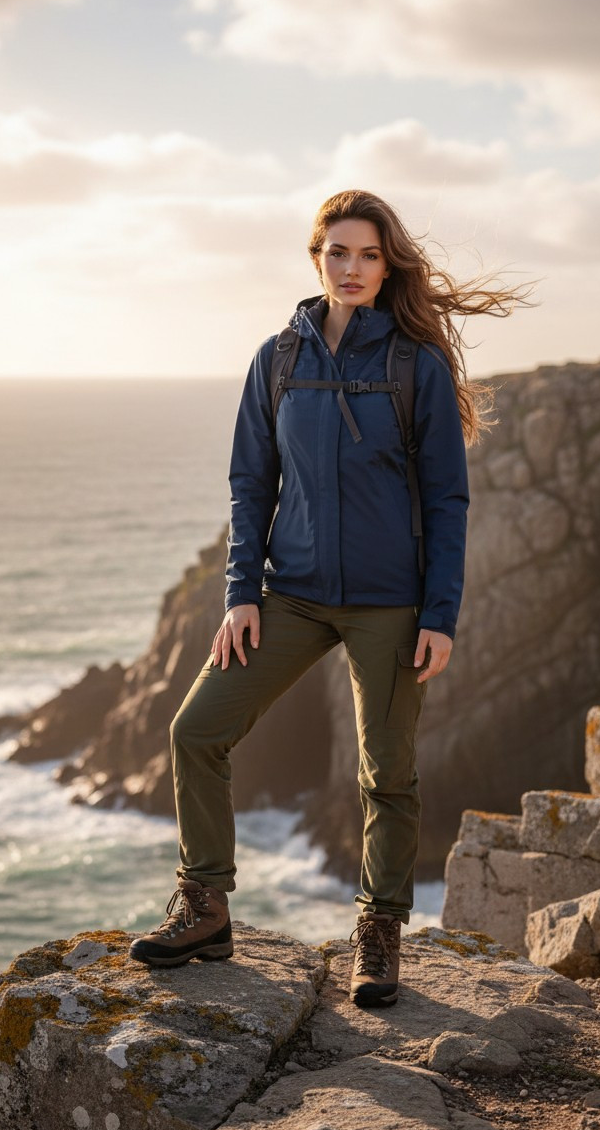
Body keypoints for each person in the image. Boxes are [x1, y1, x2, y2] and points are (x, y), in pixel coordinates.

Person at [129, 189, 537, 1007]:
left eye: (369, 255)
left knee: (386, 772)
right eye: (338, 253)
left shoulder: (415, 364)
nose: (351, 269)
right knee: (195, 729)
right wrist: (241, 593)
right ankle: (205, 903)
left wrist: (439, 613)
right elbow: (251, 482)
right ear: (316, 257)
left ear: (389, 267)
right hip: (292, 595)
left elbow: (447, 500)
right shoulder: (278, 359)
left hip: (390, 603)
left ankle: (380, 932)